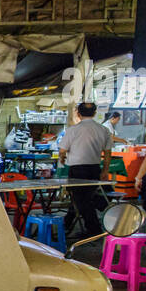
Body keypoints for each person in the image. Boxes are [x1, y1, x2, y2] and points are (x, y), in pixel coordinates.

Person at [58, 101, 112, 238]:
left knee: (82, 200)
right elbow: (107, 153)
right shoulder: (103, 130)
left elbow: (62, 150)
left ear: (78, 113)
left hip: (77, 170)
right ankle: (67, 223)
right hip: (94, 169)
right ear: (94, 113)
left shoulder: (72, 130)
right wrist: (105, 171)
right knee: (82, 198)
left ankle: (93, 229)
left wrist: (62, 160)